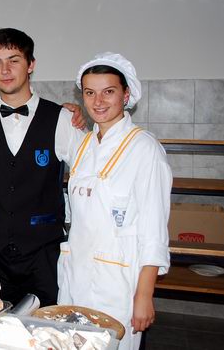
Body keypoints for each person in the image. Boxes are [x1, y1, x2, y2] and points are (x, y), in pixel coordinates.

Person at [58, 53, 171, 350]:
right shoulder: (83, 145)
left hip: (118, 282)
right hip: (76, 276)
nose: (98, 101)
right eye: (89, 93)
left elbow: (154, 231)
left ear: (126, 94)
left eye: (108, 91)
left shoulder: (145, 149)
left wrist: (144, 295)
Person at [0, 28, 85, 307]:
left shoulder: (61, 119)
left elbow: (88, 175)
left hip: (44, 256)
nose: (5, 70)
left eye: (14, 60)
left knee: (45, 328)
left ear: (30, 64)